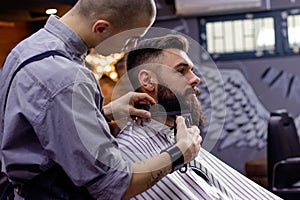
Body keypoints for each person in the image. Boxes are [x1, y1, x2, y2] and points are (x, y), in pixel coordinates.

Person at [0, 1, 202, 199]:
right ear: (102, 27)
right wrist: (179, 153)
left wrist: (102, 112)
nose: (130, 46)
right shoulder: (67, 79)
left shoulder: (28, 49)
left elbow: (37, 124)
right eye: (131, 38)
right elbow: (112, 185)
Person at [116, 34, 282, 199]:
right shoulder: (128, 152)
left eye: (192, 71)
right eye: (181, 71)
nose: (196, 79)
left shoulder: (181, 137)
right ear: (147, 80)